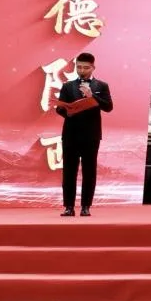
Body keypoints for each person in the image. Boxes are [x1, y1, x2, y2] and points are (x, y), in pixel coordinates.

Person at [54, 52, 113, 217]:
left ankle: (86, 206)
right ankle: (69, 207)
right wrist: (68, 111)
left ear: (93, 67)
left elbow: (108, 107)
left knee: (89, 171)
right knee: (69, 171)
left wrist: (92, 96)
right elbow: (60, 109)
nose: (82, 70)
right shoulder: (67, 86)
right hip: (70, 134)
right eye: (79, 67)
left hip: (91, 135)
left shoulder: (101, 86)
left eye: (86, 68)